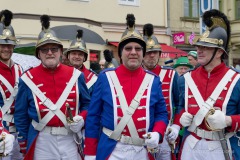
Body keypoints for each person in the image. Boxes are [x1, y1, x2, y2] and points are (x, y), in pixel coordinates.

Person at [84, 14, 168, 160]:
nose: (133, 52)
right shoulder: (105, 77)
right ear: (120, 54)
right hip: (111, 150)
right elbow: (93, 117)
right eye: (128, 48)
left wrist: (158, 132)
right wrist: (90, 153)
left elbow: (161, 113)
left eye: (138, 49)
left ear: (143, 53)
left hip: (142, 151)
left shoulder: (153, 81)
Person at [14, 15, 90, 160]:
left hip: (70, 139)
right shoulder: (27, 78)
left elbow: (88, 104)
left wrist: (82, 118)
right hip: (42, 140)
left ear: (61, 52)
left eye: (54, 49)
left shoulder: (76, 76)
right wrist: (23, 142)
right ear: (38, 54)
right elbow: (21, 115)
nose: (50, 53)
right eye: (44, 49)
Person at [176, 9, 240, 160]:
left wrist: (228, 120)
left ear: (219, 52)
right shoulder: (185, 79)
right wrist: (180, 118)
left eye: (206, 47)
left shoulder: (236, 80)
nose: (199, 51)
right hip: (191, 145)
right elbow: (180, 108)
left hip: (222, 145)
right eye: (199, 46)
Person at [142, 23, 180, 160]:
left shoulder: (171, 75)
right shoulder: (136, 75)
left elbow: (180, 104)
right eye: (148, 52)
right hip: (141, 134)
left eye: (155, 52)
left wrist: (176, 125)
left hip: (164, 132)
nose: (151, 56)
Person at [0, 9, 24, 160]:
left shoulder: (20, 69)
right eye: (2, 44)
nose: (6, 49)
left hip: (20, 131)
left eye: (9, 45)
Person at [64, 29, 98, 95]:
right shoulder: (60, 73)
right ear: (68, 56)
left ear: (84, 57)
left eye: (80, 54)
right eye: (74, 53)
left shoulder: (93, 78)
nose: (77, 57)